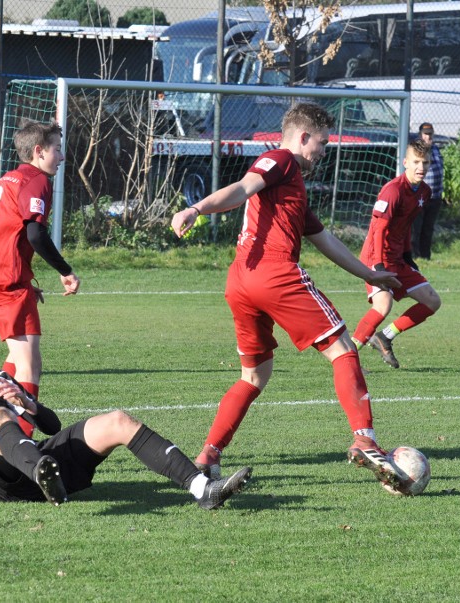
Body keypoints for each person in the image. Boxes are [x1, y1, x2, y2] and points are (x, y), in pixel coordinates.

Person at [170, 102, 405, 491]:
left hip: (241, 282)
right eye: (323, 143)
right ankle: (366, 440)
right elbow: (244, 188)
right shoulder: (280, 160)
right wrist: (196, 208)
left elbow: (324, 239)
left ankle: (208, 456)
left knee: (254, 375)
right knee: (343, 349)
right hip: (274, 274)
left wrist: (369, 274)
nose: (324, 152)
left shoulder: (292, 189)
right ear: (302, 137)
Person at [0, 309, 252, 509]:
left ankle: (202, 489)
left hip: (37, 462)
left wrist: (28, 404)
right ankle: (43, 473)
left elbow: (51, 426)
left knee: (117, 420)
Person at [0, 120, 80, 437]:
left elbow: (6, 234)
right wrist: (65, 271)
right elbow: (35, 234)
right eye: (57, 149)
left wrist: (25, 279)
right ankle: (21, 445)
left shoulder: (1, 184)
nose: (61, 157)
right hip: (5, 282)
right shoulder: (36, 180)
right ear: (39, 151)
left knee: (19, 361)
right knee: (31, 367)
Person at [352, 138, 443, 370]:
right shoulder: (392, 191)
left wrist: (408, 254)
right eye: (416, 162)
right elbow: (379, 229)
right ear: (405, 162)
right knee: (383, 305)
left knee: (432, 301)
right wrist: (379, 266)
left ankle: (385, 336)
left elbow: (405, 225)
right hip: (377, 257)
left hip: (398, 259)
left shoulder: (424, 191)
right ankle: (348, 358)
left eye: (425, 162)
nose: (421, 167)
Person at [411, 122, 444, 260]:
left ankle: (425, 256)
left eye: (430, 134)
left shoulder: (436, 149)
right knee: (416, 228)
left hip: (435, 195)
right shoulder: (417, 151)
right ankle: (413, 255)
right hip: (419, 195)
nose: (428, 137)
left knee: (428, 229)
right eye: (426, 134)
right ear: (420, 135)